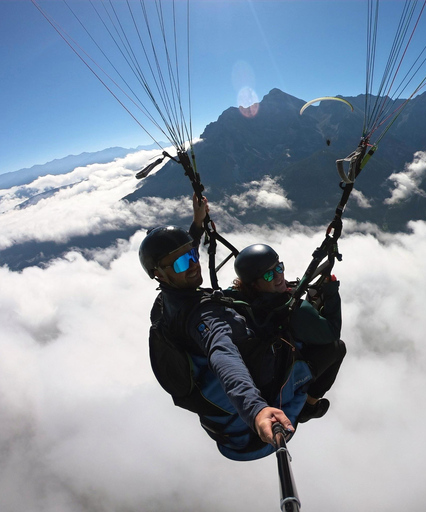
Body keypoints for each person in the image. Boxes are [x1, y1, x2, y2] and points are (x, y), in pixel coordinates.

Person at [139, 195, 312, 461]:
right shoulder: (204, 316)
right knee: (324, 351)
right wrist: (256, 410)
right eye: (183, 263)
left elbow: (181, 255)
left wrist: (197, 225)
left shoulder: (165, 302)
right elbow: (223, 355)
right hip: (251, 433)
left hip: (224, 426)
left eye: (193, 255)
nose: (194, 264)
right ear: (158, 275)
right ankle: (309, 405)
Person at [230, 244, 346, 423]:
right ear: (254, 284)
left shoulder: (239, 299)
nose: (278, 276)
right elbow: (332, 332)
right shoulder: (293, 310)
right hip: (280, 376)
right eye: (269, 275)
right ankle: (309, 406)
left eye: (279, 268)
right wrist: (331, 294)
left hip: (260, 368)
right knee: (336, 348)